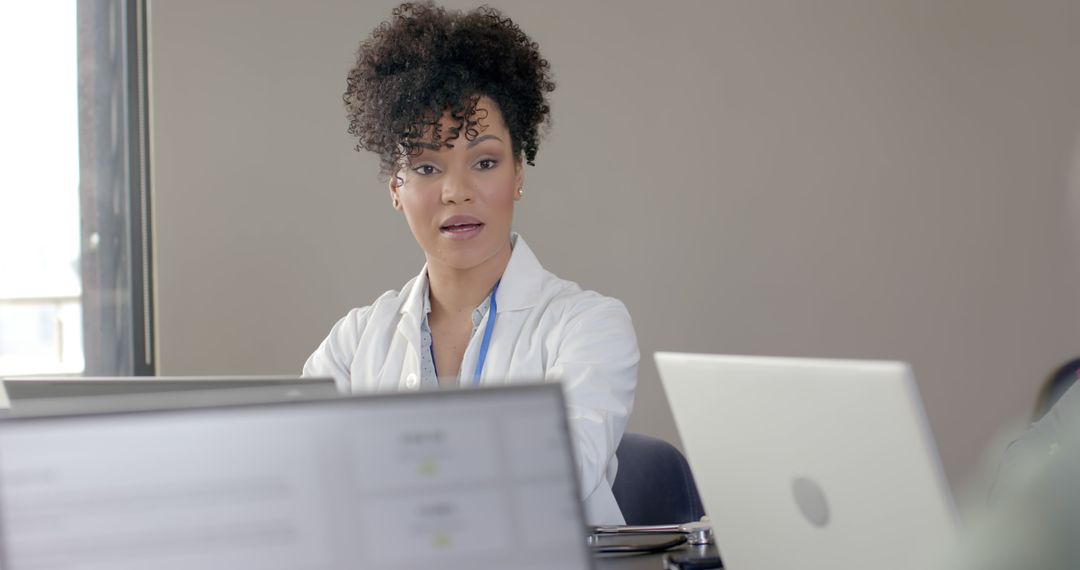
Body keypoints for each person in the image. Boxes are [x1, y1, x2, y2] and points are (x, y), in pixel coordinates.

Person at [302, 1, 639, 525]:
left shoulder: (588, 327)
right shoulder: (353, 344)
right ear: (396, 189)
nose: (457, 191)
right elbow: (305, 480)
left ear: (519, 172)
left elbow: (556, 475)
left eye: (484, 162)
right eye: (427, 167)